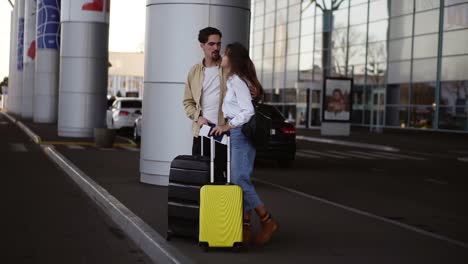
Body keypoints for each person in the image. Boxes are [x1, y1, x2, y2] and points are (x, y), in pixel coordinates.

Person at [211, 42, 279, 245]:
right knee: (241, 179)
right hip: (239, 133)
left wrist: (228, 126)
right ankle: (245, 226)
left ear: (233, 60)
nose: (222, 56)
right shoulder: (237, 80)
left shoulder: (238, 81)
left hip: (240, 133)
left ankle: (267, 220)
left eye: (225, 54)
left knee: (239, 180)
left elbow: (247, 111)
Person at [183, 27, 228, 181]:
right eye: (211, 44)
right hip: (202, 132)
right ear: (201, 45)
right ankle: (202, 206)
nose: (216, 48)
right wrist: (198, 117)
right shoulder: (194, 72)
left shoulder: (228, 68)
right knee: (200, 176)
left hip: (224, 132)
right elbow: (187, 102)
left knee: (222, 177)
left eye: (218, 44)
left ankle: (221, 206)